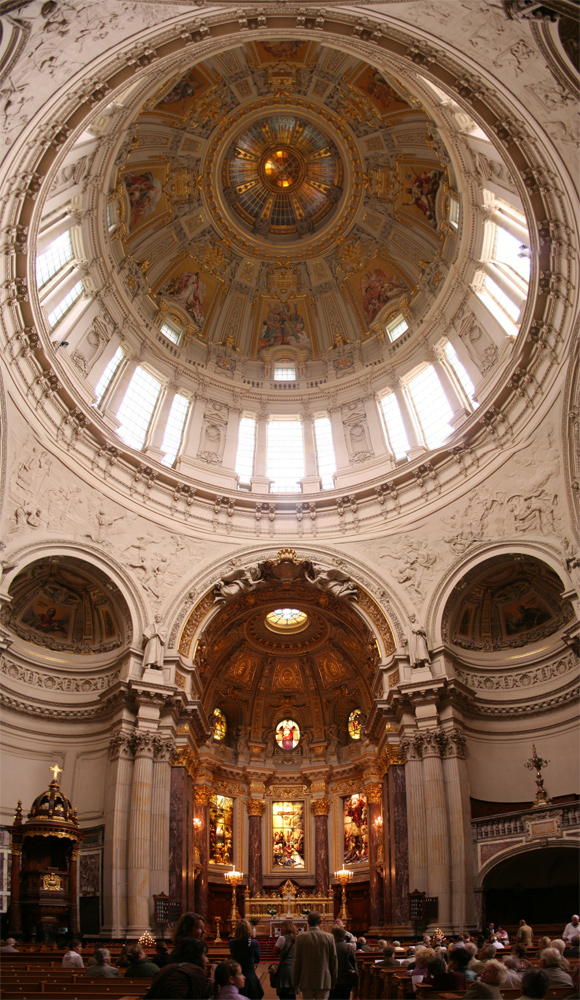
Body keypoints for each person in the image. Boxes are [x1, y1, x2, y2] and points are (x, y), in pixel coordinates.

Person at [293, 910, 338, 1000]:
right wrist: (334, 980)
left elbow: (297, 961)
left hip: (306, 979)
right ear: (320, 922)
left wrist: (295, 980)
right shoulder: (329, 937)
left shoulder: (300, 937)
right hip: (324, 979)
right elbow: (333, 960)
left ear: (308, 922)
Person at [145, 937, 210, 999]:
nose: (207, 960)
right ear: (196, 956)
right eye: (204, 955)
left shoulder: (165, 969)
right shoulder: (195, 971)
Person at [229, 919, 263, 1000]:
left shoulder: (232, 942)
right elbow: (257, 958)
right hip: (250, 975)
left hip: (237, 975)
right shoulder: (254, 943)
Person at [330, 925, 359, 1000]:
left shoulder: (330, 948)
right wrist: (356, 984)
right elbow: (354, 965)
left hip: (332, 980)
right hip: (346, 979)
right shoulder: (349, 948)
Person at [273, 920, 296, 1000]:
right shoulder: (297, 938)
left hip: (285, 968)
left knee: (284, 994)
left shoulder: (282, 938)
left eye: (281, 928)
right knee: (292, 994)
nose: (280, 929)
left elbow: (274, 953)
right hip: (294, 968)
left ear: (285, 928)